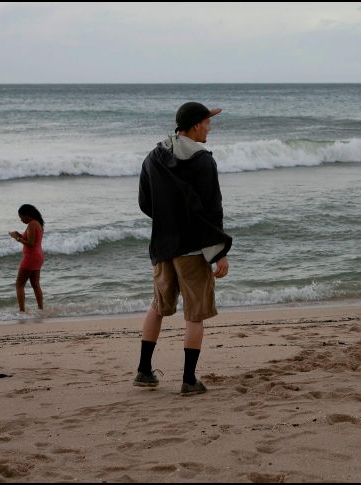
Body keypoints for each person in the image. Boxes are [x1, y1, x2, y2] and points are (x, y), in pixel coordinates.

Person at [135, 101, 232, 396]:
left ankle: (144, 371)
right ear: (194, 126)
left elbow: (145, 202)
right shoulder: (203, 161)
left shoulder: (154, 156)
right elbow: (213, 209)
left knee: (157, 307)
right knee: (195, 315)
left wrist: (168, 218)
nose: (209, 128)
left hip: (163, 245)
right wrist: (220, 253)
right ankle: (189, 380)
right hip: (192, 249)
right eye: (207, 123)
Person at [8, 204, 45, 313]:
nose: (21, 220)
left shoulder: (32, 224)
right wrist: (19, 235)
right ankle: (41, 309)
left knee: (19, 285)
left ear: (27, 215)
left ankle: (22, 311)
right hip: (38, 256)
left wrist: (17, 238)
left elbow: (31, 243)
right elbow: (31, 239)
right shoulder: (37, 223)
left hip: (30, 257)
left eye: (21, 217)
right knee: (35, 284)